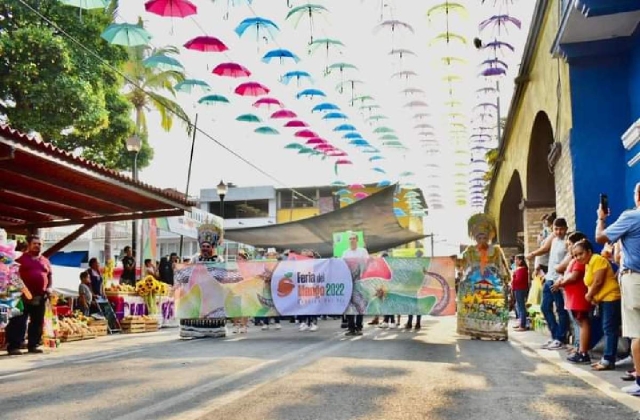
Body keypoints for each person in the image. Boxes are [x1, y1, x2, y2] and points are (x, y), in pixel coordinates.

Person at [595, 184, 640, 393]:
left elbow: (600, 237)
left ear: (638, 197)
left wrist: (601, 218)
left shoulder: (631, 217)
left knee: (637, 333)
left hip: (635, 279)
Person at [457, 214, 510, 340]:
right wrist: (449, 261)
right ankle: (476, 332)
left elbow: (502, 266)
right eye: (479, 237)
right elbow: (462, 263)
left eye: (484, 237)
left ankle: (496, 332)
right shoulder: (469, 250)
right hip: (474, 286)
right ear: (475, 238)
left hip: (493, 286)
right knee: (475, 309)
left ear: (488, 237)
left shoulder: (496, 250)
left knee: (493, 308)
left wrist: (504, 281)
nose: (482, 239)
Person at [527, 217, 570, 350]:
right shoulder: (554, 238)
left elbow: (570, 261)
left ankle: (560, 338)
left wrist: (561, 279)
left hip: (559, 280)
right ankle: (555, 335)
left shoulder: (568, 242)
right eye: (556, 229)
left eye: (561, 229)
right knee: (545, 307)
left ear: (566, 229)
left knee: (560, 309)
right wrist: (533, 254)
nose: (559, 232)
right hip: (549, 277)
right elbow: (545, 248)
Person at [5, 235, 51, 355]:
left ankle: (33, 345)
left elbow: (49, 276)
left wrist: (49, 288)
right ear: (29, 245)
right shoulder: (20, 259)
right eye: (35, 243)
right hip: (21, 296)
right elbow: (13, 275)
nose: (37, 245)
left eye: (39, 244)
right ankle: (14, 346)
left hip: (40, 296)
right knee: (18, 321)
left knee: (37, 322)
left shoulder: (45, 261)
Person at [342, 232, 369, 336]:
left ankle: (359, 327)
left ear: (357, 240)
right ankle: (351, 327)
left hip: (360, 281)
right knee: (349, 305)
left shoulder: (362, 251)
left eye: (353, 238)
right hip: (349, 282)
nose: (352, 240)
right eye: (350, 239)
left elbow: (367, 264)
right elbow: (342, 266)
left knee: (359, 304)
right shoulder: (345, 253)